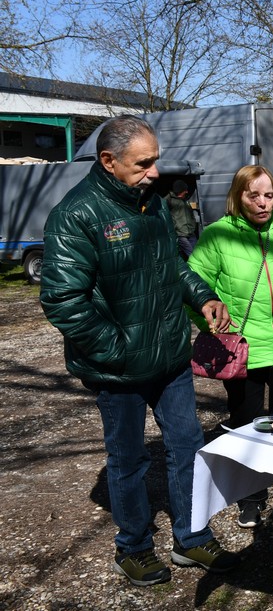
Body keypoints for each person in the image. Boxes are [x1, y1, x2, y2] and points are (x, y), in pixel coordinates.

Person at [39, 115, 241, 587]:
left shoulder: (151, 205)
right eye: (144, 163)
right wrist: (119, 348)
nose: (154, 172)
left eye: (156, 161)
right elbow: (62, 301)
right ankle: (133, 547)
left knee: (189, 447)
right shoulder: (76, 215)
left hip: (170, 361)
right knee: (129, 460)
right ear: (108, 161)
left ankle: (192, 538)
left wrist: (202, 295)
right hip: (120, 371)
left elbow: (173, 264)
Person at [189, 165, 273, 528]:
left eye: (268, 195)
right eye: (253, 195)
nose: (262, 203)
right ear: (238, 196)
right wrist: (212, 324)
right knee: (247, 424)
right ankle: (252, 495)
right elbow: (194, 289)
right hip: (244, 348)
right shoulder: (218, 236)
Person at [167, 179, 198, 259]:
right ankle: (194, 270)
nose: (187, 192)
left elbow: (191, 215)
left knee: (198, 253)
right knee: (192, 256)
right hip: (181, 234)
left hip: (190, 233)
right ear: (180, 190)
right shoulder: (170, 200)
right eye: (185, 190)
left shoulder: (185, 200)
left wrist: (193, 225)